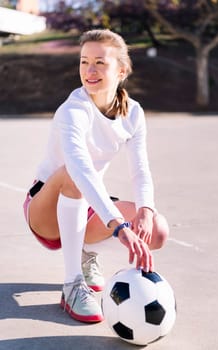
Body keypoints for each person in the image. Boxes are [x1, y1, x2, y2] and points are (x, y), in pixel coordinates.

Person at [23, 29, 169, 324]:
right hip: (45, 209)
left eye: (100, 63)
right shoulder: (73, 110)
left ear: (121, 69)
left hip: (87, 206)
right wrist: (118, 226)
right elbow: (80, 169)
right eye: (84, 61)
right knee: (76, 175)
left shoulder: (133, 113)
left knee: (157, 230)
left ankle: (85, 251)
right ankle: (72, 285)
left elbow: (140, 168)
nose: (89, 71)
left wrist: (144, 210)